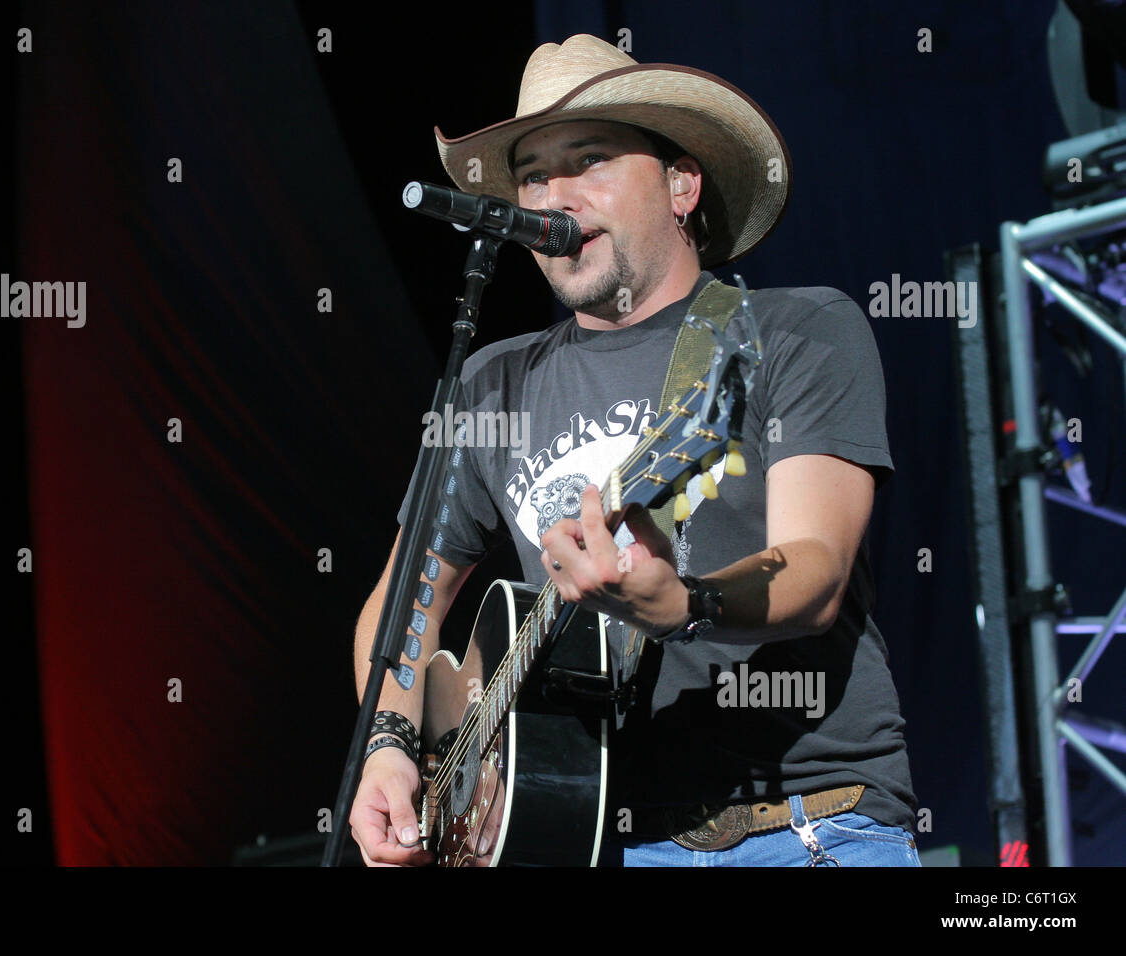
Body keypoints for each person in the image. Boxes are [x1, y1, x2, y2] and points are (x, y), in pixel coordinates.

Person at [349, 34, 919, 867]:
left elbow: (816, 566)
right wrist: (392, 745)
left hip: (801, 825)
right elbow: (404, 603)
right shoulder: (492, 385)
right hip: (586, 837)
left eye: (590, 159)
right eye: (534, 174)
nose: (555, 195)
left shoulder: (792, 333)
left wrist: (686, 603)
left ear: (683, 184)